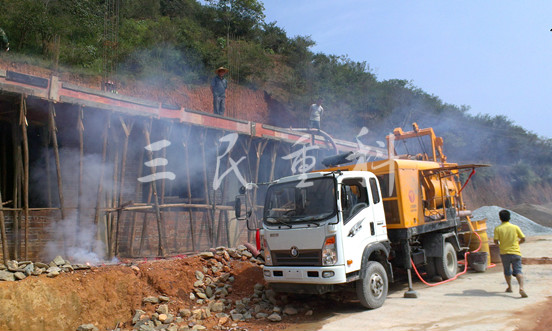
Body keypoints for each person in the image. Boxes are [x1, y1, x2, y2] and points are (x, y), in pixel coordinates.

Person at [493, 209, 527, 298]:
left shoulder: (498, 229)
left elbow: (496, 241)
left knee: (507, 271)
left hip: (504, 253)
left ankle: (509, 287)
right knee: (518, 270)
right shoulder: (515, 227)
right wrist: (517, 244)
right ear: (509, 217)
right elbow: (523, 238)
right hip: (516, 252)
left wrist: (501, 244)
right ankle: (521, 288)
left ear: (500, 218)